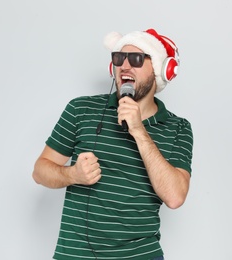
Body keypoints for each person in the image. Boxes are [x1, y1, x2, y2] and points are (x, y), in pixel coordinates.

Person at [32, 28, 193, 260]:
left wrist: (138, 131)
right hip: (76, 255)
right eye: (119, 58)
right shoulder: (81, 110)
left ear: (158, 70)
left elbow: (175, 196)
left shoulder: (178, 128)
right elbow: (39, 171)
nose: (125, 66)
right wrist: (72, 175)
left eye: (137, 59)